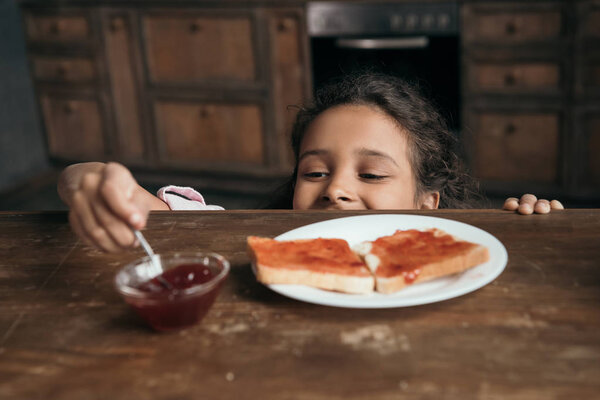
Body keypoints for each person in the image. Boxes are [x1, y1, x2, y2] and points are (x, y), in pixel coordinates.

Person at [58, 72, 563, 253]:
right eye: (314, 172)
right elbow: (133, 206)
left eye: (371, 174)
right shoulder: (243, 243)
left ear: (428, 202)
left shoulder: (458, 254)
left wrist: (532, 226)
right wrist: (93, 181)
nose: (335, 189)